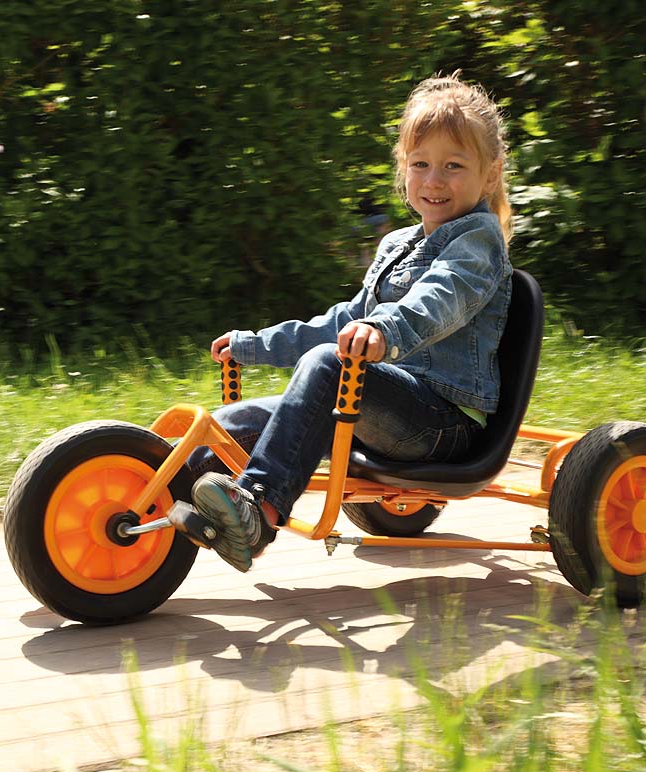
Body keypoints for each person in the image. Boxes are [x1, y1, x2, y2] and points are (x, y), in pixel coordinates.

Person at [188, 73, 515, 572]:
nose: (433, 180)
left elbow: (440, 297)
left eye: (453, 166)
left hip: (443, 422)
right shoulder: (396, 245)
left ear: (489, 175)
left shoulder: (477, 244)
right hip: (381, 406)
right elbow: (341, 323)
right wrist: (255, 346)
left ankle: (261, 508)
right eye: (420, 164)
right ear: (403, 169)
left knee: (331, 364)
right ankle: (152, 493)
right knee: (232, 425)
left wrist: (385, 332)